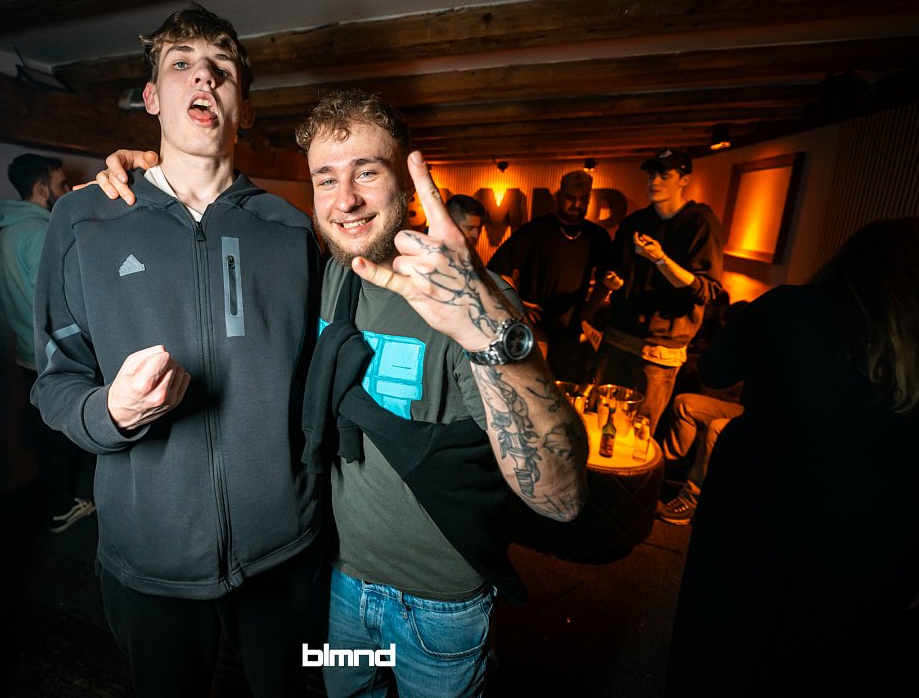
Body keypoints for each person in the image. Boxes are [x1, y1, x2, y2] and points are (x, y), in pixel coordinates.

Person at [96, 88, 590, 697]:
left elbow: (561, 501)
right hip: (333, 588)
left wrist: (488, 330)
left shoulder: (471, 299)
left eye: (367, 173)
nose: (346, 199)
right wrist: (140, 176)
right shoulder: (319, 271)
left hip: (440, 608)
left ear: (406, 184)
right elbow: (208, 221)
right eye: (326, 179)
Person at [30, 4, 324, 698]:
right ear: (153, 98)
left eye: (222, 69)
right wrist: (112, 413)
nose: (204, 77)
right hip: (150, 555)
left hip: (283, 548)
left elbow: (318, 379)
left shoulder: (289, 230)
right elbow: (56, 380)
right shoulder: (86, 218)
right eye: (182, 63)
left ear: (243, 108)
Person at [666, 217, 919, 695]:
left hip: (760, 501)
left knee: (720, 638)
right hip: (875, 535)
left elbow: (716, 369)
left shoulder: (790, 306)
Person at [0, 152, 96, 533]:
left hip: (26, 351)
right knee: (60, 436)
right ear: (41, 188)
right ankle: (62, 507)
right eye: (61, 185)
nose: (67, 191)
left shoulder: (5, 232)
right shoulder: (39, 232)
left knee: (49, 431)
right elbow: (62, 299)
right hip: (53, 354)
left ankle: (58, 503)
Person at [595, 148, 724, 433]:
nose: (655, 181)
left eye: (665, 175)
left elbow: (705, 290)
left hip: (659, 350)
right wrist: (613, 282)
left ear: (684, 180)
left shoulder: (700, 224)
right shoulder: (634, 223)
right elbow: (616, 270)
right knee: (599, 420)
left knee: (639, 431)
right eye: (652, 175)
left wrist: (661, 260)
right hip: (618, 337)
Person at [486, 169, 611, 382]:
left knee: (566, 388)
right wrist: (518, 305)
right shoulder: (536, 230)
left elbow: (607, 278)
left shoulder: (596, 236)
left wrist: (589, 311)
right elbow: (497, 269)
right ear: (558, 196)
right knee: (532, 385)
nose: (576, 205)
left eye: (583, 199)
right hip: (534, 329)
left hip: (571, 332)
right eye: (570, 198)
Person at [655, 391, 743, 525]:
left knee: (717, 428)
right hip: (746, 409)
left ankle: (691, 501)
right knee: (684, 404)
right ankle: (675, 475)